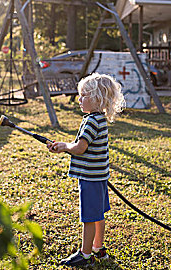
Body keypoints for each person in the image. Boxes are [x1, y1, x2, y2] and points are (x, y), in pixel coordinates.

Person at [47, 73, 125, 267]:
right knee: (98, 214)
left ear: (97, 98)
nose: (79, 99)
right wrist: (65, 145)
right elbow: (82, 146)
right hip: (99, 177)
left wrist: (65, 146)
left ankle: (86, 254)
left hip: (90, 178)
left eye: (83, 96)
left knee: (89, 217)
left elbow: (80, 148)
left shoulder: (91, 121)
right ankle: (98, 248)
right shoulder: (99, 119)